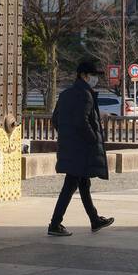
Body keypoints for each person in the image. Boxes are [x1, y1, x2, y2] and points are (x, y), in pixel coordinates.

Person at [47, 59, 115, 237]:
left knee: (83, 183)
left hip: (70, 146)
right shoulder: (85, 94)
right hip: (81, 148)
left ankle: (94, 219)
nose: (95, 79)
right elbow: (82, 121)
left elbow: (56, 120)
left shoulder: (65, 94)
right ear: (83, 75)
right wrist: (93, 139)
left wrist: (67, 136)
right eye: (92, 75)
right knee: (70, 185)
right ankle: (55, 224)